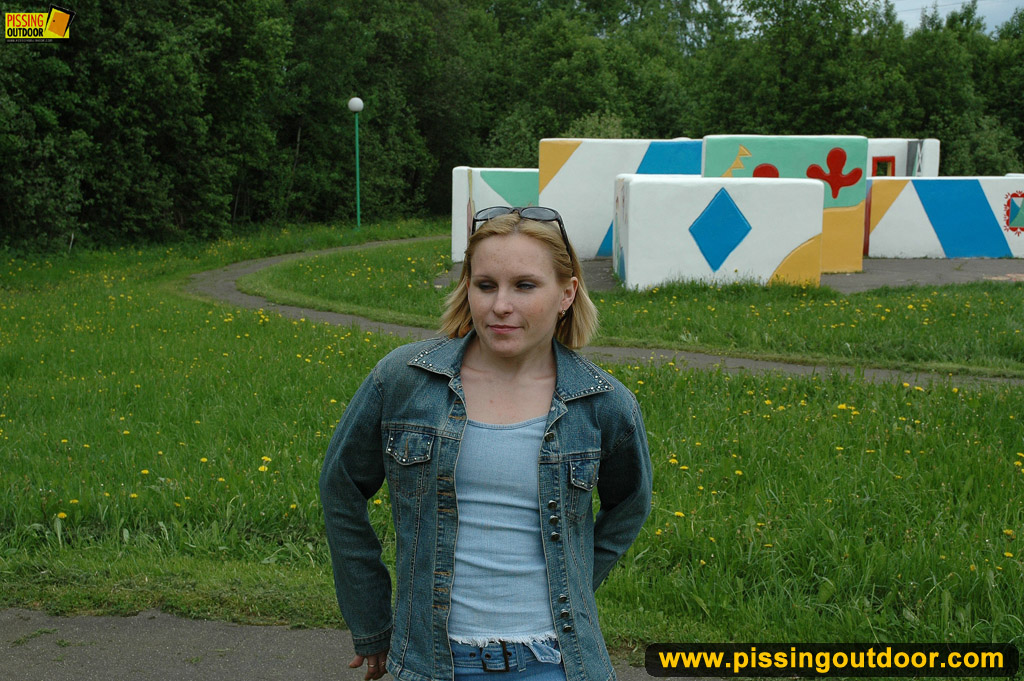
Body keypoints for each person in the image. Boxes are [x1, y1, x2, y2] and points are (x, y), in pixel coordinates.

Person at [319, 206, 652, 681]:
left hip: (555, 662)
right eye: (486, 285)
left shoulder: (603, 403)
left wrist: (574, 581)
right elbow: (341, 488)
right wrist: (370, 619)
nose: (501, 305)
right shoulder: (403, 381)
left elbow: (630, 505)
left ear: (567, 293)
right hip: (433, 663)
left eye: (525, 285)